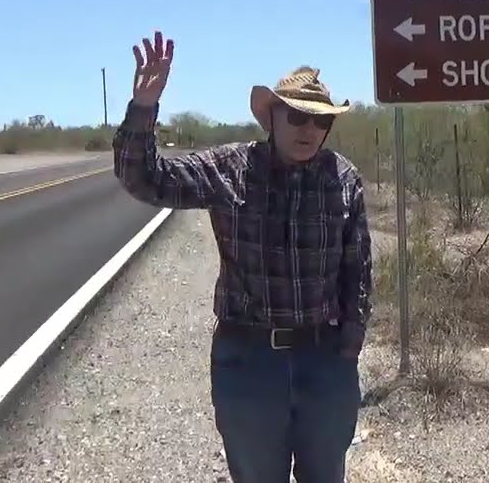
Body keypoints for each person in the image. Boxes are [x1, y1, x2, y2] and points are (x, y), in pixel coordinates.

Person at [111, 30, 372, 483]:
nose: (309, 130)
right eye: (297, 117)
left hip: (324, 361)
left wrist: (348, 347)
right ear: (272, 117)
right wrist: (144, 109)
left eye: (320, 122)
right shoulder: (230, 169)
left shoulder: (341, 177)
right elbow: (144, 179)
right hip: (250, 362)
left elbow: (359, 268)